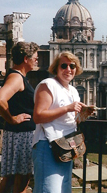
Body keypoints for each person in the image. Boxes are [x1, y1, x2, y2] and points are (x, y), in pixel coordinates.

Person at [32, 51, 88, 193]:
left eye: (72, 66)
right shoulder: (48, 85)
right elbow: (38, 116)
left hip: (66, 147)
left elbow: (70, 120)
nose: (68, 69)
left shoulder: (73, 91)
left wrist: (83, 114)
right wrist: (67, 108)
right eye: (64, 65)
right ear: (56, 68)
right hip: (48, 145)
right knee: (49, 190)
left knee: (63, 190)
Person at [0, 41, 39, 193]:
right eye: (35, 57)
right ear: (26, 59)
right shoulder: (17, 78)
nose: (37, 60)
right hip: (22, 136)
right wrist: (12, 119)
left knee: (11, 181)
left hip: (17, 135)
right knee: (20, 183)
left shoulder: (17, 75)